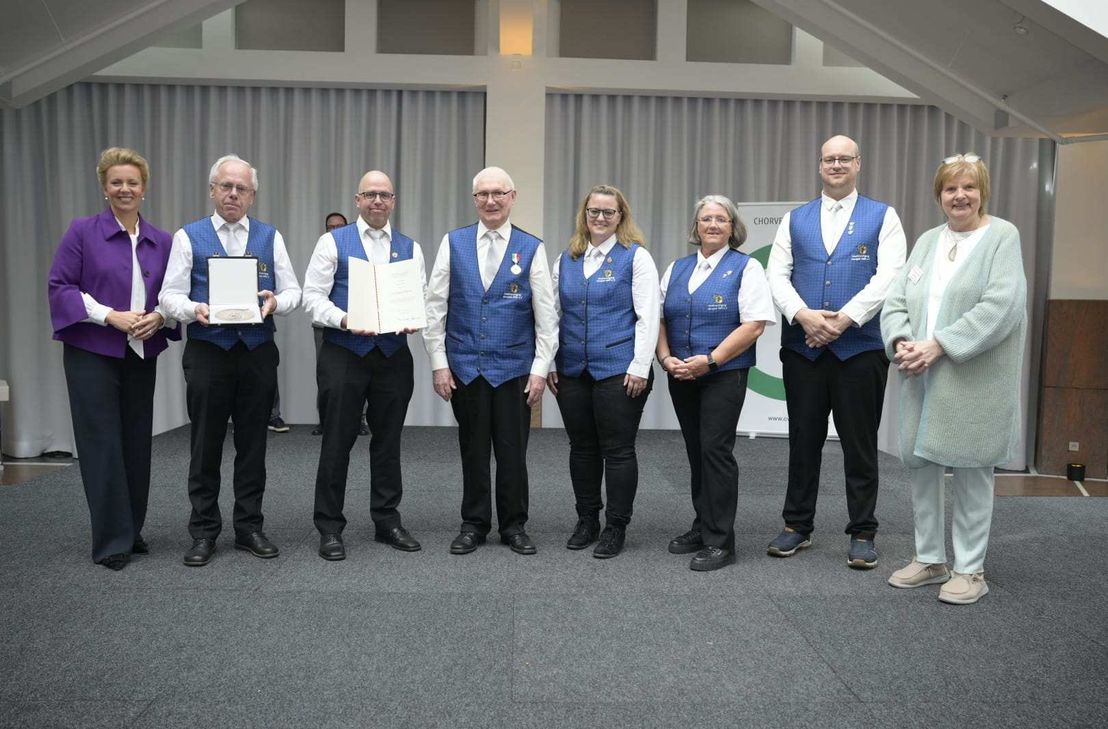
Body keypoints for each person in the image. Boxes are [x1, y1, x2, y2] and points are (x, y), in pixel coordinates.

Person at [881, 154, 1026, 605]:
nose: (959, 196)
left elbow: (1001, 306)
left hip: (973, 377)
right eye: (950, 189)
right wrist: (903, 340)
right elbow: (897, 299)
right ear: (939, 195)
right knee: (921, 466)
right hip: (920, 373)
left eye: (968, 187)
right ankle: (929, 559)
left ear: (982, 191)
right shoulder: (927, 240)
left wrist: (938, 344)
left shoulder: (1002, 236)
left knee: (971, 470)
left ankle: (970, 569)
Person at [765, 134, 906, 569]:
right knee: (802, 442)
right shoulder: (795, 219)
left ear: (859, 164)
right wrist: (804, 315)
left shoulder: (884, 216)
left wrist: (843, 319)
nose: (837, 165)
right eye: (830, 159)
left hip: (860, 350)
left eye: (845, 158)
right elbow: (777, 275)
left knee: (859, 445)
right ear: (820, 165)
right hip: (803, 349)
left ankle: (863, 531)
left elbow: (890, 276)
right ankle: (797, 526)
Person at [159, 154, 302, 567]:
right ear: (212, 190)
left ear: (253, 195)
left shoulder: (270, 237)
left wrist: (276, 301)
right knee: (204, 443)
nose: (233, 194)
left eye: (241, 188)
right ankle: (203, 531)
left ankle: (249, 527)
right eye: (226, 186)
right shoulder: (189, 237)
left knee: (253, 444)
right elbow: (168, 296)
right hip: (208, 351)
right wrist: (192, 310)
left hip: (257, 352)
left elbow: (292, 292)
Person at [47, 147, 179, 570]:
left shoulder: (164, 241)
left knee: (136, 443)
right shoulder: (82, 232)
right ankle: (110, 540)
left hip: (141, 352)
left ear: (144, 189)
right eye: (116, 182)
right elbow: (61, 287)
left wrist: (159, 317)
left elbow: (171, 297)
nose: (125, 189)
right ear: (105, 188)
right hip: (92, 353)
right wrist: (110, 316)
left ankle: (132, 528)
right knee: (101, 444)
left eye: (132, 182)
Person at [423, 166, 557, 555]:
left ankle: (514, 525)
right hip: (465, 368)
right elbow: (435, 307)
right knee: (474, 450)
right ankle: (474, 524)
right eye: (483, 194)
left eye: (499, 193)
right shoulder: (453, 243)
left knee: (514, 453)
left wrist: (539, 369)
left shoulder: (532, 247)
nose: (491, 201)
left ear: (513, 197)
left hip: (516, 371)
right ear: (474, 199)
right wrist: (439, 362)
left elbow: (546, 316)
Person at [303, 171, 424, 560]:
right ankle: (330, 527)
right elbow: (312, 298)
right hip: (344, 353)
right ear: (357, 200)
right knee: (337, 441)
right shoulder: (332, 241)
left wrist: (414, 316)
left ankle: (386, 519)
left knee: (388, 442)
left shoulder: (410, 247)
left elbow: (420, 295)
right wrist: (343, 319)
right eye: (370, 194)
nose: (377, 201)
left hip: (393, 355)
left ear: (393, 201)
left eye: (384, 195)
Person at [658, 195, 774, 571]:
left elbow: (754, 324)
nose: (712, 225)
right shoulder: (676, 268)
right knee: (695, 449)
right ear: (695, 227)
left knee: (715, 451)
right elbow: (658, 318)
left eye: (720, 220)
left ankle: (722, 540)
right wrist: (664, 357)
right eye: (705, 219)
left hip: (724, 374)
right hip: (681, 373)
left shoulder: (747, 268)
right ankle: (702, 524)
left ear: (732, 228)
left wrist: (711, 360)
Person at [547, 185, 659, 559]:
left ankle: (615, 526)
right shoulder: (567, 258)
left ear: (620, 217)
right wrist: (548, 361)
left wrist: (641, 366)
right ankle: (587, 519)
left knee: (618, 450)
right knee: (581, 449)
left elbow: (648, 317)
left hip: (620, 369)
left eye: (608, 213)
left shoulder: (636, 258)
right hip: (572, 369)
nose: (599, 218)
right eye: (593, 211)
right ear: (585, 215)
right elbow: (552, 316)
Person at [311, 212, 369, 437]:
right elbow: (314, 294)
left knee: (364, 375)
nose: (334, 230)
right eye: (330, 226)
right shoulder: (324, 248)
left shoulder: (358, 251)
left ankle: (361, 420)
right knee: (327, 377)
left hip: (365, 327)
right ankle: (325, 420)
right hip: (326, 327)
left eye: (339, 226)